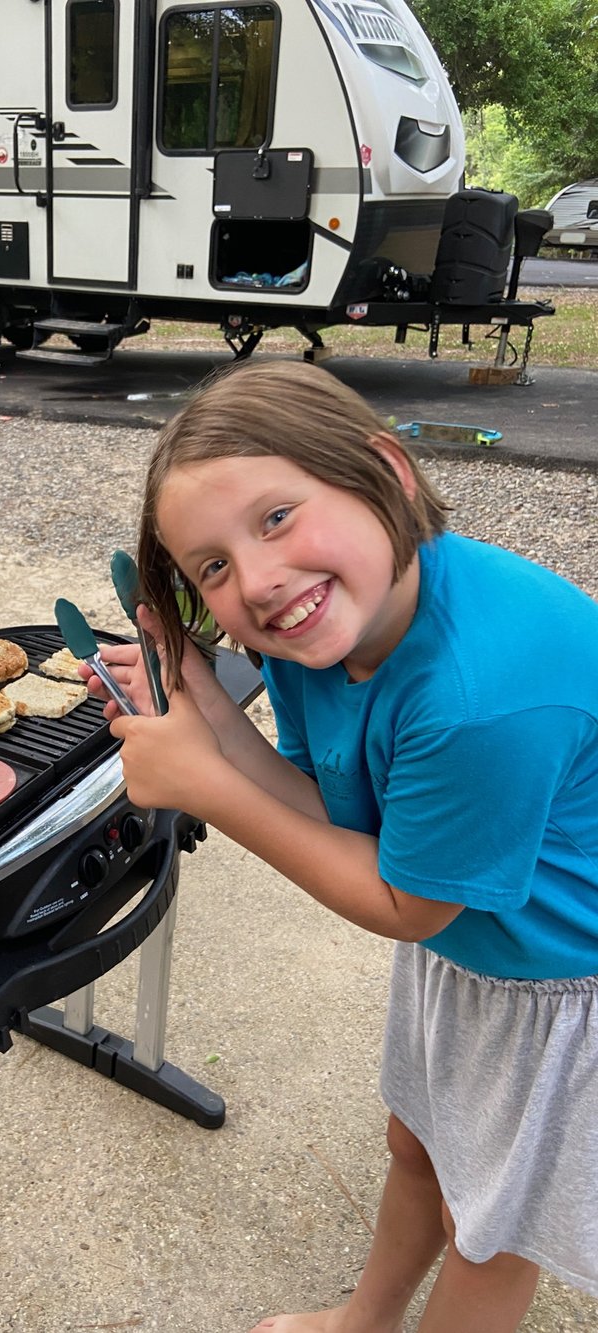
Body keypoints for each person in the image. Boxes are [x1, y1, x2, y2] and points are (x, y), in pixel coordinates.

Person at [82, 360, 598, 1333]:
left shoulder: (478, 695)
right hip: (476, 947)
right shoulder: (323, 629)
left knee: (484, 1236)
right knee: (415, 1148)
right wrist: (201, 705)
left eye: (276, 517)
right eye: (213, 567)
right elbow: (334, 810)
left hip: (563, 992)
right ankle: (360, 1322)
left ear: (385, 473)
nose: (261, 580)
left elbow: (405, 901)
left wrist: (206, 790)